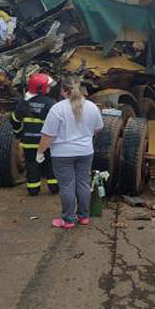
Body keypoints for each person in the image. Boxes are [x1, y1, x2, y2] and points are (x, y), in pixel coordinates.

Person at [38, 76, 103, 229]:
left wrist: (40, 152)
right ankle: (84, 216)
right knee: (83, 183)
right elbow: (98, 128)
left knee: (67, 186)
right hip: (85, 151)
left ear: (62, 90)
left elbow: (48, 135)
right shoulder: (92, 107)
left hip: (62, 154)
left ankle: (68, 219)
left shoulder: (57, 109)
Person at [11, 74, 59, 196]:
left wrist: (19, 134)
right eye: (48, 86)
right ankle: (54, 187)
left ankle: (33, 189)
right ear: (42, 88)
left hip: (28, 141)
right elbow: (56, 123)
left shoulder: (24, 103)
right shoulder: (50, 103)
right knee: (50, 163)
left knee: (32, 164)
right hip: (46, 141)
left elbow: (14, 120)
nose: (49, 88)